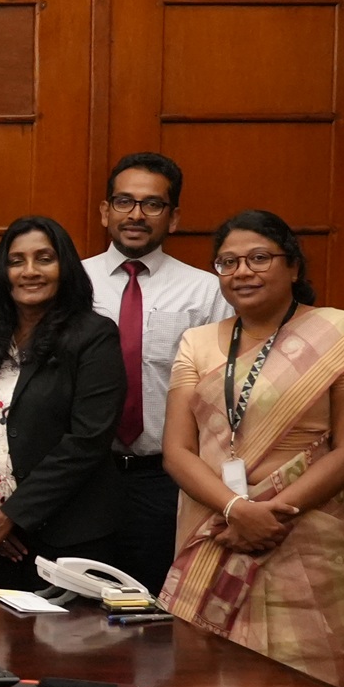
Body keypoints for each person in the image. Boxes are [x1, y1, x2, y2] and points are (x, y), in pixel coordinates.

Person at [161, 210, 344, 687]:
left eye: (259, 258)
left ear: (294, 267)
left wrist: (273, 516)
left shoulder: (337, 333)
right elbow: (177, 451)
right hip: (215, 526)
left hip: (305, 531)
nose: (242, 271)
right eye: (227, 262)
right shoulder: (197, 342)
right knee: (209, 686)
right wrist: (237, 509)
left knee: (305, 684)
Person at [83, 152, 231, 592]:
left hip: (166, 481)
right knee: (75, 621)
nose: (136, 214)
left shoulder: (207, 292)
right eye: (124, 201)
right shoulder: (73, 282)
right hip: (85, 479)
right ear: (105, 211)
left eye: (152, 204)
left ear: (174, 217)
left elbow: (221, 396)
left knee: (157, 615)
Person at [0, 216, 125, 590]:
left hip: (71, 537)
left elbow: (87, 439)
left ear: (64, 268)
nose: (29, 271)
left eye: (44, 259)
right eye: (17, 261)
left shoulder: (94, 336)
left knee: (68, 647)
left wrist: (12, 514)